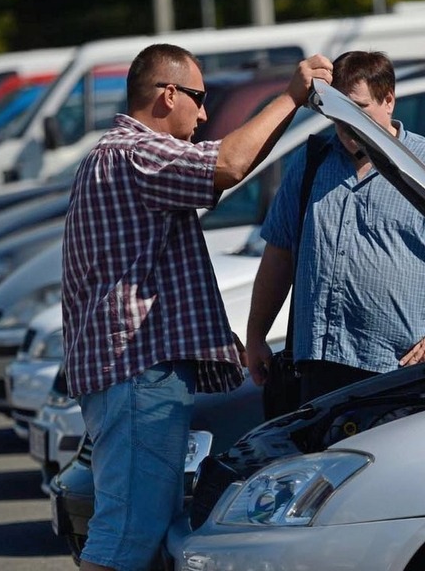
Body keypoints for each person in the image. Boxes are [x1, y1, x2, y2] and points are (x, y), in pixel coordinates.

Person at [61, 43, 332, 571]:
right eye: (199, 98)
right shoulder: (134, 153)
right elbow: (228, 164)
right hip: (137, 375)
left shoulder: (122, 156)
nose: (205, 113)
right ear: (168, 94)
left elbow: (230, 168)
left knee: (141, 527)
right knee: (126, 537)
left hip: (132, 375)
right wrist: (290, 97)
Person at [246, 50, 425, 407]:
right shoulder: (311, 162)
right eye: (336, 109)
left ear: (389, 101)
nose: (345, 122)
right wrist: (257, 333)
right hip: (317, 368)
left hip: (397, 372)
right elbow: (280, 252)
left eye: (359, 108)